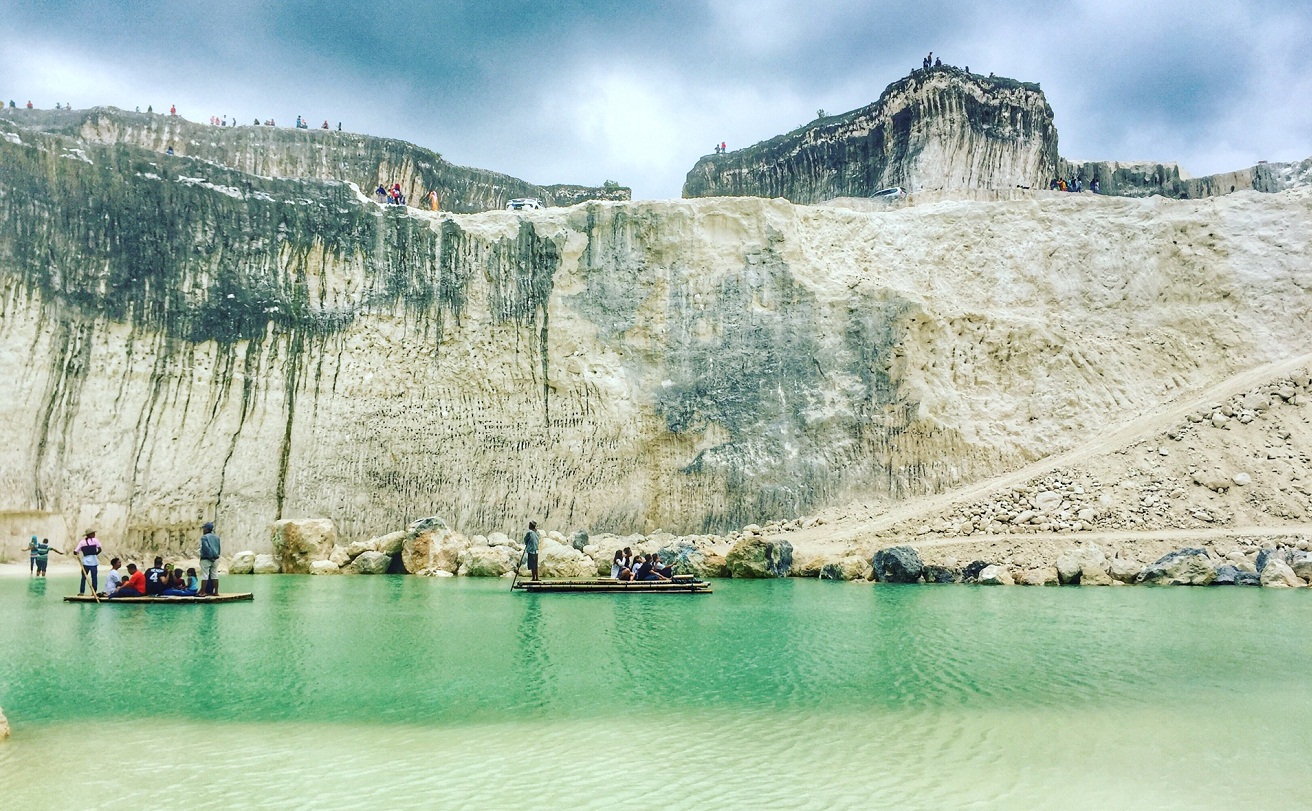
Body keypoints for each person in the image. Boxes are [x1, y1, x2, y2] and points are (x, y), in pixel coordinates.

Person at [74, 530, 102, 595]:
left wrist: (77, 552)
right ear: (89, 534)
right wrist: (95, 554)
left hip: (85, 562)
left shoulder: (82, 542)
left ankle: (82, 592)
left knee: (83, 578)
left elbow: (75, 551)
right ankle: (94, 592)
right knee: (94, 577)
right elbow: (100, 549)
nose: (94, 534)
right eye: (93, 533)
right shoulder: (95, 540)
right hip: (94, 562)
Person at [199, 521, 221, 597]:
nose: (203, 530)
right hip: (216, 559)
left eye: (204, 528)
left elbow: (206, 548)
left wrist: (210, 557)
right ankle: (216, 592)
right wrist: (216, 556)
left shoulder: (204, 537)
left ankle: (202, 592)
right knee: (215, 575)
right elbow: (218, 548)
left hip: (206, 558)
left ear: (206, 529)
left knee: (205, 575)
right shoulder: (217, 537)